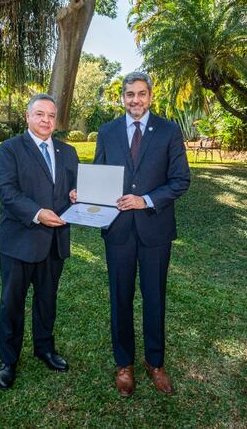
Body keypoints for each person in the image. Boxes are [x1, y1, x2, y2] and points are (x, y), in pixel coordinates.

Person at [91, 71, 190, 396]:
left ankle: (155, 363)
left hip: (155, 231)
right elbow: (100, 175)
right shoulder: (107, 131)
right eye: (130, 94)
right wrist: (85, 194)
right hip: (118, 231)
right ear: (122, 97)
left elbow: (180, 180)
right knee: (120, 298)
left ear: (150, 96)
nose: (136, 100)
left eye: (141, 94)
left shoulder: (169, 131)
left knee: (154, 297)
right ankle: (124, 364)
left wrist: (145, 200)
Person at [0, 93, 79, 390]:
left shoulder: (68, 153)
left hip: (54, 242)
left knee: (47, 300)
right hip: (19, 241)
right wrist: (38, 213)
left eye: (51, 115)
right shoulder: (10, 149)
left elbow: (74, 190)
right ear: (27, 117)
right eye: (40, 114)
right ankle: (9, 360)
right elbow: (6, 191)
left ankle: (44, 348)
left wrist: (77, 196)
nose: (46, 120)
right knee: (11, 304)